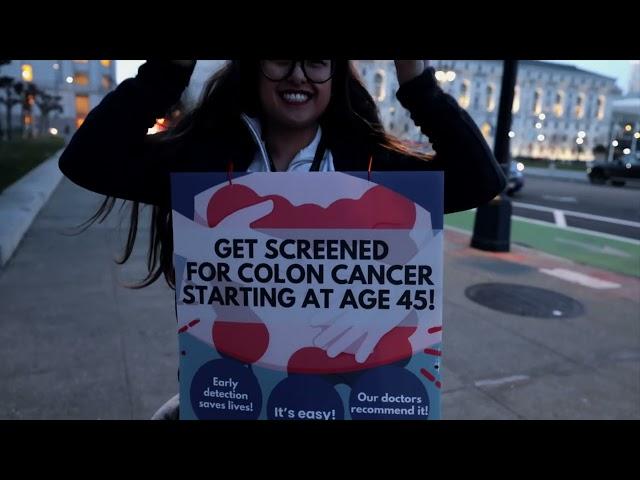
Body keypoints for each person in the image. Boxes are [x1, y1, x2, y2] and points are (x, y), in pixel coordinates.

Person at [59, 59, 506, 419]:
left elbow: (479, 179)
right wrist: (169, 70)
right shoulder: (202, 159)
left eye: (316, 61)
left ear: (336, 73)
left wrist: (416, 81)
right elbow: (88, 160)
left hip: (350, 395)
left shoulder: (370, 164)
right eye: (279, 58)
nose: (297, 74)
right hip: (230, 396)